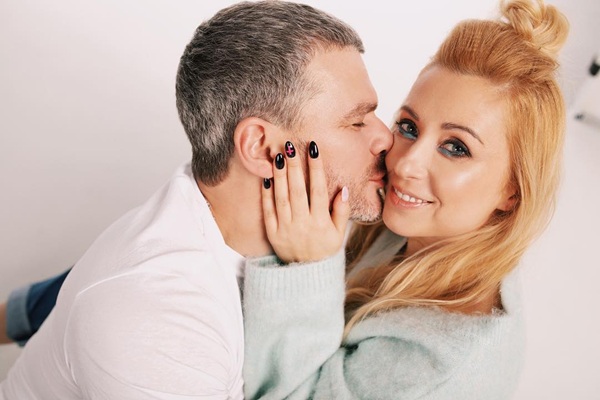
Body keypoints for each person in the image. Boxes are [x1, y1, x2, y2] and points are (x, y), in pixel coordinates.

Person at [0, 2, 392, 398]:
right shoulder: (157, 313)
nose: (385, 138)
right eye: (357, 121)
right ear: (261, 147)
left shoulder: (288, 235)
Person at [242, 0, 569, 399]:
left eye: (455, 147)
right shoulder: (418, 232)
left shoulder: (441, 362)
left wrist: (307, 268)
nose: (406, 162)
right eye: (409, 126)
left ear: (512, 189)